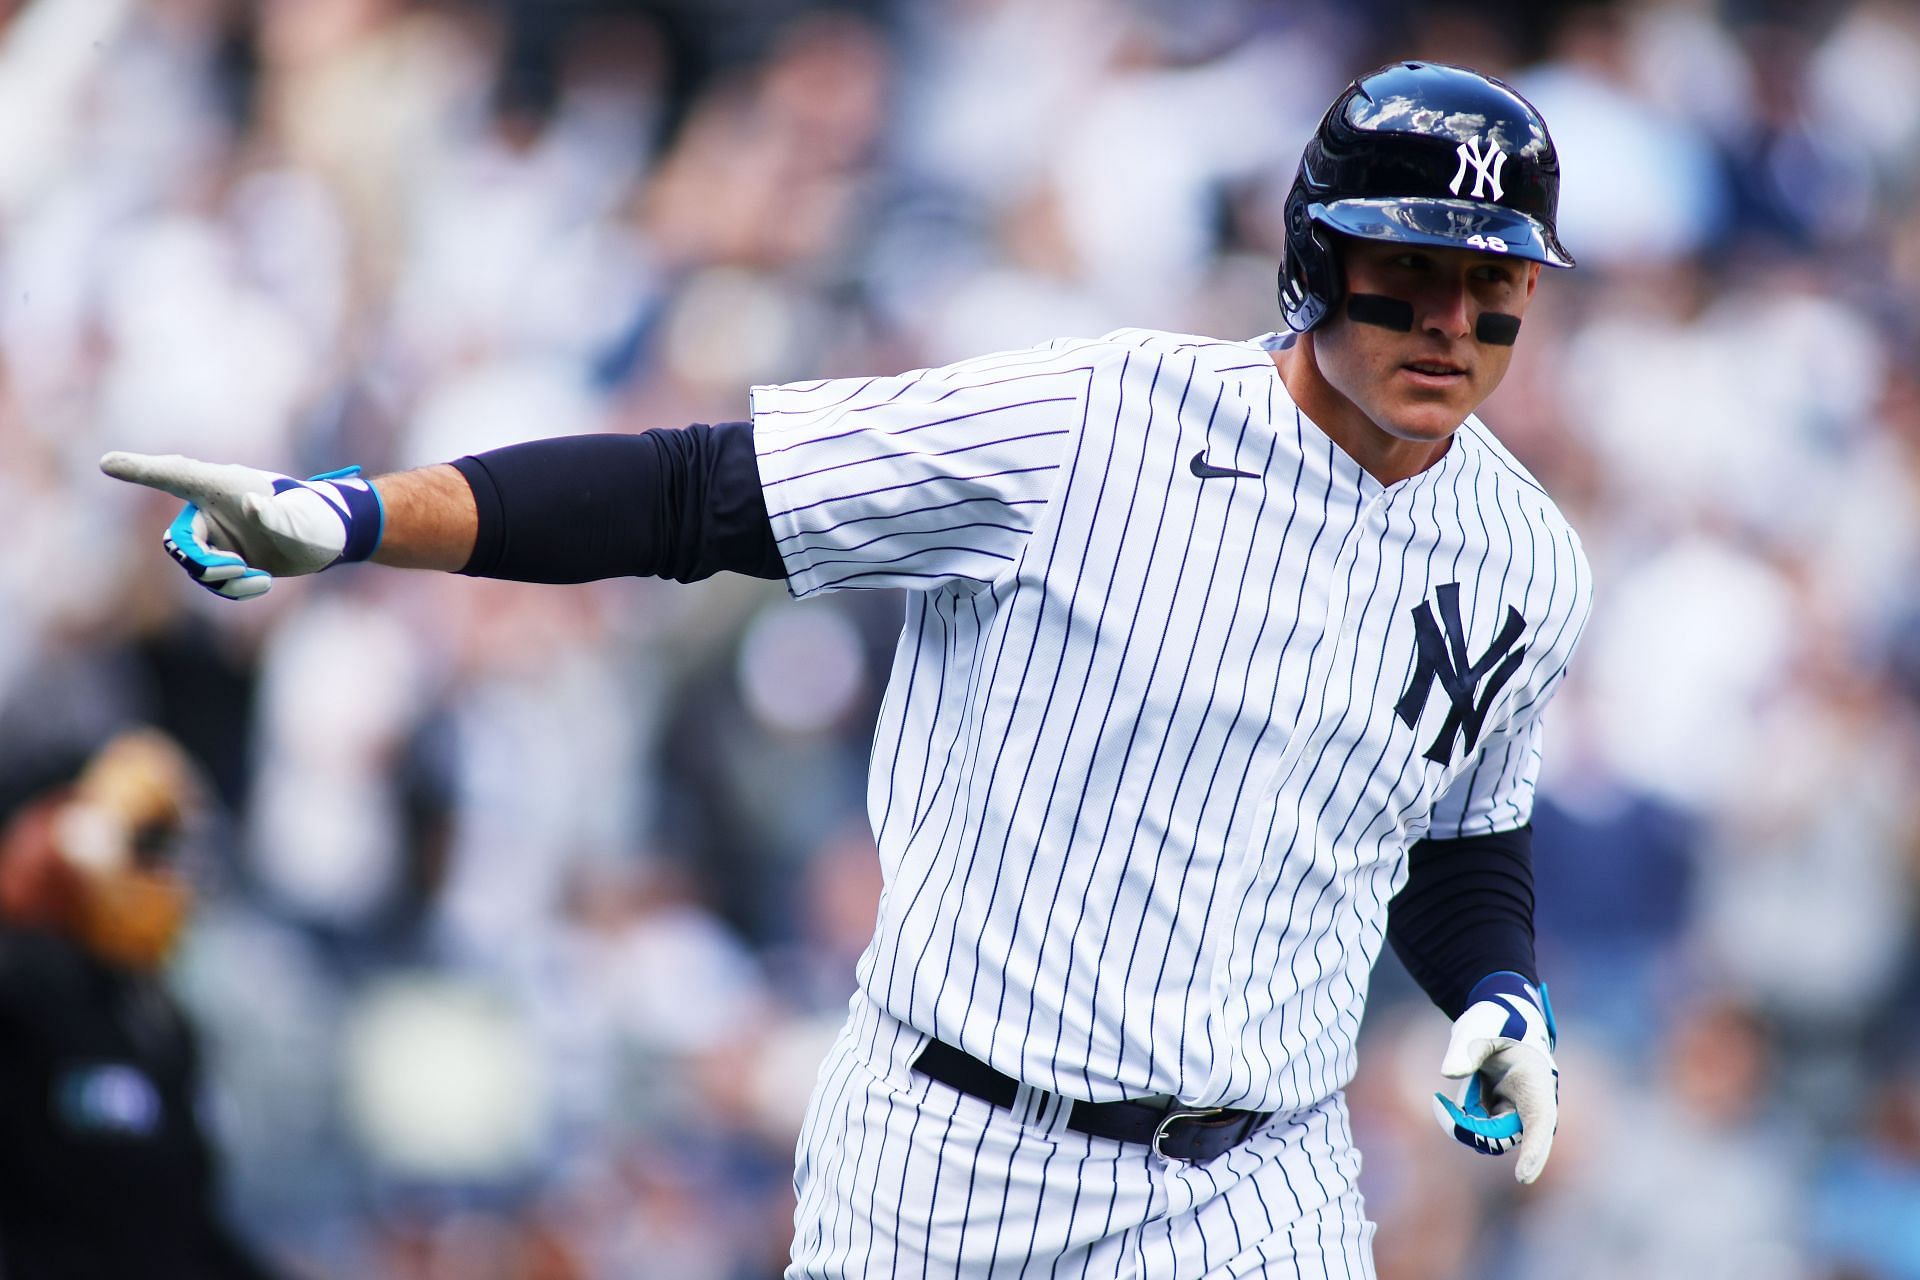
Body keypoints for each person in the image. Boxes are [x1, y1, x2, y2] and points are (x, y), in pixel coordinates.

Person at [104, 61, 1590, 1280]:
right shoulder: (1086, 425)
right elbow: (691, 493)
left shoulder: (1529, 558)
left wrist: (1500, 992)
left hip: (1256, 1184)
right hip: (951, 1152)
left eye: (1494, 282)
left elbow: (1463, 831)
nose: (1452, 324)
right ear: (1315, 260)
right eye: (1410, 270)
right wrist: (356, 515)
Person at [0, 730, 283, 1279]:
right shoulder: (19, 999)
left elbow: (187, 1229)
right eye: (149, 846)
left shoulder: (159, 1023)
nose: (167, 877)